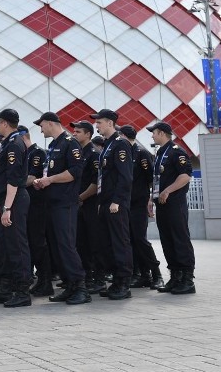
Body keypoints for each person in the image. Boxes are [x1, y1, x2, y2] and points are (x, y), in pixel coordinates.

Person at [33, 112, 90, 305]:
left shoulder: (69, 143)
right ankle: (69, 285)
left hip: (65, 203)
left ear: (50, 123)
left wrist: (50, 180)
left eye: (42, 125)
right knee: (57, 246)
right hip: (51, 202)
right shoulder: (53, 145)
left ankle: (80, 287)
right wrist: (43, 181)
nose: (40, 129)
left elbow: (75, 172)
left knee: (66, 245)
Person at [0, 108, 32, 308]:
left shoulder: (14, 145)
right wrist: (2, 204)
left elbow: (13, 179)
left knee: (17, 246)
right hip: (8, 198)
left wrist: (7, 207)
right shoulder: (9, 143)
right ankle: (6, 289)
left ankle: (22, 291)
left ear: (5, 123)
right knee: (5, 246)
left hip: (15, 199)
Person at [147, 121, 196, 295]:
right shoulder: (160, 153)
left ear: (161, 133)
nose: (152, 136)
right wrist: (151, 199)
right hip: (162, 204)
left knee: (179, 239)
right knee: (167, 241)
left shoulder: (177, 152)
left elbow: (185, 176)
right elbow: (157, 180)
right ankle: (175, 277)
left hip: (175, 203)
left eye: (153, 133)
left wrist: (168, 190)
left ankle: (187, 280)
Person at [91, 108, 134, 300]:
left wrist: (117, 200)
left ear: (110, 123)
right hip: (106, 201)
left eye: (99, 122)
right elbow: (104, 177)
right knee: (107, 243)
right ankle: (116, 281)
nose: (96, 125)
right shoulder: (108, 145)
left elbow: (125, 176)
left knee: (120, 242)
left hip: (116, 202)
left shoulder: (120, 144)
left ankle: (124, 283)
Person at [119, 124, 164, 290]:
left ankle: (157, 274)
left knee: (140, 239)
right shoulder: (123, 152)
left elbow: (151, 179)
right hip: (125, 204)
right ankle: (143, 275)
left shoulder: (141, 153)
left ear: (124, 136)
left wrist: (150, 200)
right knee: (130, 240)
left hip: (138, 203)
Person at [71, 120, 106, 294]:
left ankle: (99, 278)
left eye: (78, 131)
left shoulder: (93, 154)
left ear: (87, 134)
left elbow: (95, 182)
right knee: (81, 242)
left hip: (91, 204)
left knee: (95, 243)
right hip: (79, 205)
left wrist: (80, 197)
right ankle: (86, 276)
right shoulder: (78, 153)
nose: (74, 134)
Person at [22, 127, 50, 297]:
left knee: (38, 243)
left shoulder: (37, 153)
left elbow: (32, 178)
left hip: (38, 204)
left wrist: (12, 184)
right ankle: (40, 279)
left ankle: (45, 280)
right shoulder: (24, 154)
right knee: (31, 243)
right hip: (27, 204)